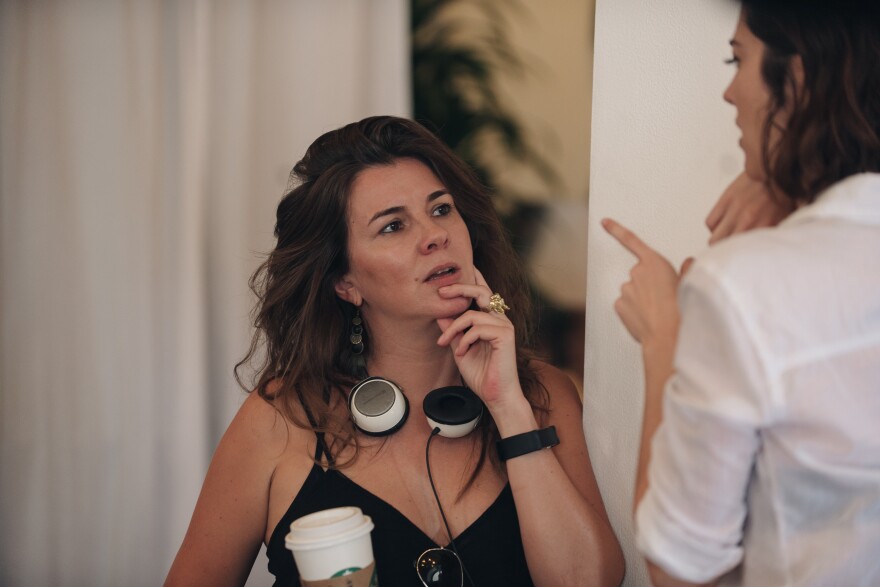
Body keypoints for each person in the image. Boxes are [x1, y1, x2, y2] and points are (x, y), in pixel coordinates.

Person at [165, 115, 625, 586]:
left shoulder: (542, 395)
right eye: (392, 227)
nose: (434, 235)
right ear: (345, 282)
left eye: (442, 209)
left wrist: (508, 408)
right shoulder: (280, 419)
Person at [604, 2, 880, 586]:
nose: (730, 93)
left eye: (740, 59)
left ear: (799, 75)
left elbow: (678, 570)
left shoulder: (743, 288)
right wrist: (791, 183)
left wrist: (665, 339)